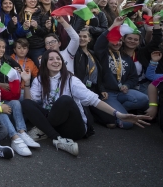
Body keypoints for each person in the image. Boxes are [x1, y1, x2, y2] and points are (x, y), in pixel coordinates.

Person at [21, 50, 150, 156]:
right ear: (44, 63)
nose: (56, 61)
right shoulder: (40, 79)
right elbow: (31, 101)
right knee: (26, 103)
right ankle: (58, 139)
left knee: (64, 100)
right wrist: (26, 83)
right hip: (54, 122)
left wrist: (118, 115)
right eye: (51, 59)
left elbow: (94, 100)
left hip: (73, 127)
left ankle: (45, 130)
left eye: (58, 58)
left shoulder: (71, 80)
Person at [94, 18, 149, 129]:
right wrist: (114, 25)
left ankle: (116, 110)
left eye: (119, 40)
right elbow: (100, 42)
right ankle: (114, 111)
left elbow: (133, 78)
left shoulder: (126, 57)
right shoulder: (102, 54)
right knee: (127, 124)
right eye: (113, 40)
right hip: (108, 94)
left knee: (145, 99)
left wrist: (127, 85)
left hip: (122, 92)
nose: (116, 43)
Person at [0, 66, 39, 156]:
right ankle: (14, 138)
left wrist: (14, 79)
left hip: (1, 119)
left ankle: (21, 132)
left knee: (15, 102)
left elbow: (14, 96)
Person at [16, 0, 46, 66]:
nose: (32, 0)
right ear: (25, 2)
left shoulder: (42, 13)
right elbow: (18, 34)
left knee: (39, 70)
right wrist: (24, 28)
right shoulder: (21, 14)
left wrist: (37, 27)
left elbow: (45, 33)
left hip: (38, 49)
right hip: (23, 49)